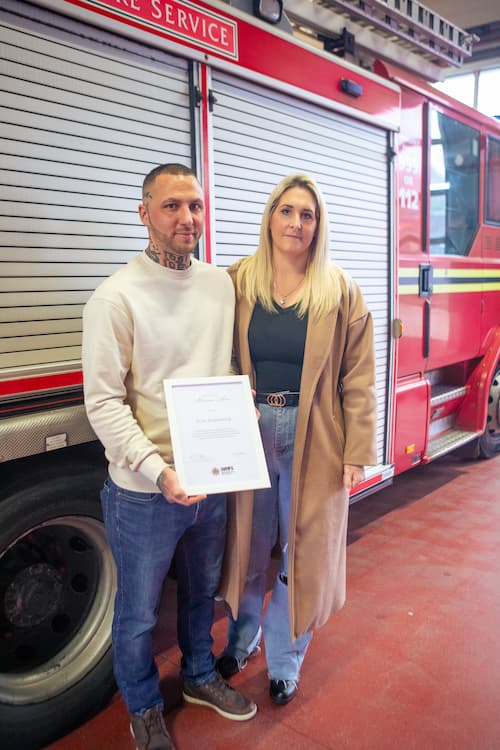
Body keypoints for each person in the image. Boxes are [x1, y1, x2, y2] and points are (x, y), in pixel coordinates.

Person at [82, 163, 256, 750]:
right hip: (143, 489)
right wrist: (160, 472)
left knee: (202, 593)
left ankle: (201, 677)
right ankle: (143, 703)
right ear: (144, 215)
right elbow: (103, 404)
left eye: (196, 206)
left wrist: (240, 406)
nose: (188, 218)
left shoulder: (219, 285)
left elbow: (222, 369)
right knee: (137, 613)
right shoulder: (114, 298)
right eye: (172, 206)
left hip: (209, 479)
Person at [217, 173, 377, 706]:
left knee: (300, 551)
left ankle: (285, 661)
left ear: (318, 225)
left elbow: (358, 379)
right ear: (270, 217)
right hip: (252, 430)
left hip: (317, 437)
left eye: (307, 215)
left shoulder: (340, 290)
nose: (296, 223)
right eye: (286, 211)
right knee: (247, 546)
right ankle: (243, 640)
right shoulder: (239, 280)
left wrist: (357, 452)